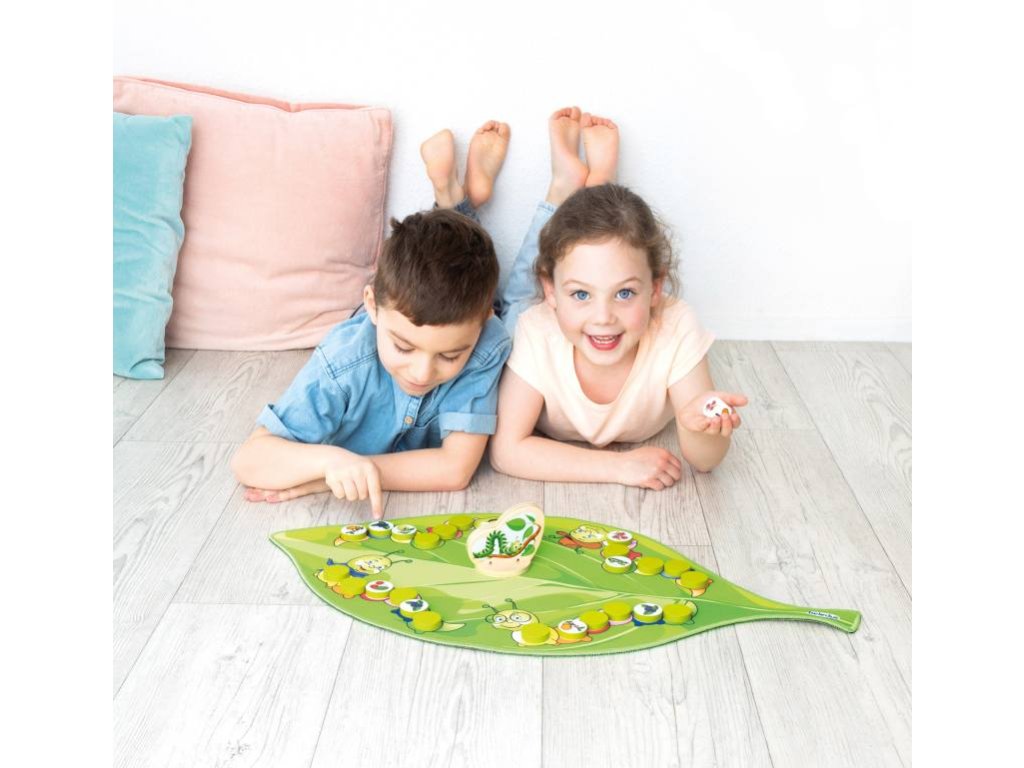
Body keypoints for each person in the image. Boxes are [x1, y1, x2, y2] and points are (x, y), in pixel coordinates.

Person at [231, 122, 513, 518]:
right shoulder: (343, 362)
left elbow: (454, 469)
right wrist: (331, 462)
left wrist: (343, 474)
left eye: (450, 356)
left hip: (472, 310)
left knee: (516, 303)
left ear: (481, 328)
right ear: (372, 306)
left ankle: (453, 198)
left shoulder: (487, 342)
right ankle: (452, 199)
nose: (422, 372)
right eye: (403, 347)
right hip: (387, 318)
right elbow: (249, 460)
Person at [489, 107, 748, 490]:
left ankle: (595, 189)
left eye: (624, 293)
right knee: (512, 307)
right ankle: (574, 185)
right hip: (535, 312)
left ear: (656, 288)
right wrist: (617, 467)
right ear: (552, 293)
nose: (603, 317)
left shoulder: (676, 326)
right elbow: (506, 451)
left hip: (564, 302)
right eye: (581, 294)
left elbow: (705, 461)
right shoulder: (536, 327)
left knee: (584, 260)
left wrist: (701, 430)